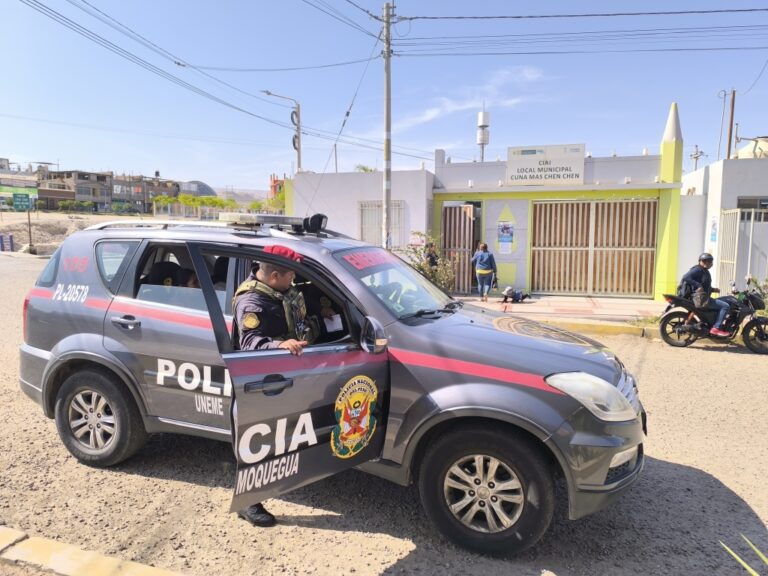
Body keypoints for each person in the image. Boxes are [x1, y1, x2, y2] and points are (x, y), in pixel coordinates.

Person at [232, 244, 311, 528]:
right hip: (258, 380)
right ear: (275, 275)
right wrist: (280, 344)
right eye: (290, 276)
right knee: (254, 440)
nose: (294, 282)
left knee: (280, 435)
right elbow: (250, 342)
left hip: (280, 377)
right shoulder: (252, 302)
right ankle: (247, 503)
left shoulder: (280, 292)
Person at [681, 252, 729, 337]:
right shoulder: (698, 269)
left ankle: (711, 324)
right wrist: (698, 285)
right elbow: (686, 277)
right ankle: (716, 328)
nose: (709, 263)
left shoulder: (704, 271)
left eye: (710, 261)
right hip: (700, 299)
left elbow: (704, 285)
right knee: (725, 306)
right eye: (706, 261)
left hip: (702, 298)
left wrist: (713, 289)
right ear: (701, 261)